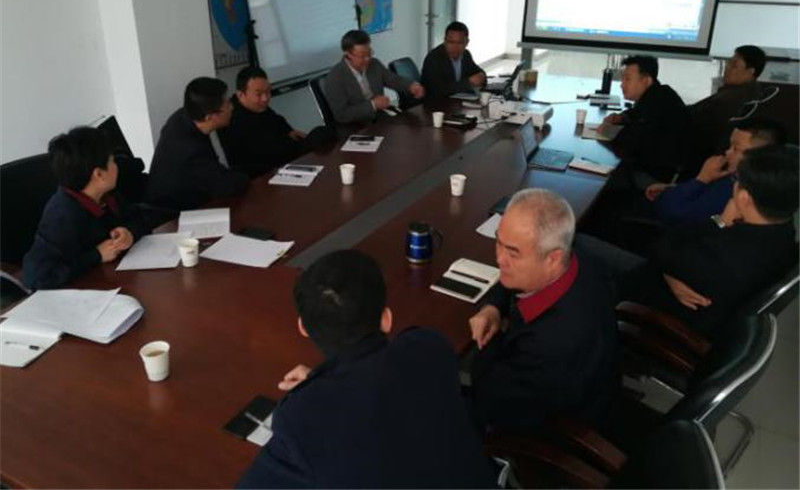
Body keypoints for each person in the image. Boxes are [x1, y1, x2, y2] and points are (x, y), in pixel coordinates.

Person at [237, 250, 496, 489]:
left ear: (303, 327)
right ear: (386, 319)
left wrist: (318, 387)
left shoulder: (300, 417)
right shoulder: (429, 346)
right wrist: (320, 382)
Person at [467, 189, 618, 434]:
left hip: (548, 432)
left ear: (553, 259)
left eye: (513, 253)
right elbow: (511, 280)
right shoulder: (576, 259)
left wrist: (491, 341)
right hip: (570, 387)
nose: (499, 259)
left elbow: (488, 399)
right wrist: (493, 307)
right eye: (498, 242)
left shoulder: (552, 343)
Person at [621, 144, 799, 338]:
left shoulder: (724, 257)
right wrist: (670, 270)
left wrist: (719, 221)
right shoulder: (784, 233)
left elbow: (659, 247)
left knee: (595, 258)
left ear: (744, 197)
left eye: (736, 180)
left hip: (645, 309)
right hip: (676, 293)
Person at [23, 127, 150, 289]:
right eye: (112, 161)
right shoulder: (62, 217)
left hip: (112, 279)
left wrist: (129, 233)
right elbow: (37, 278)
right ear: (99, 174)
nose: (116, 166)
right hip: (84, 293)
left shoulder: (105, 195)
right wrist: (96, 255)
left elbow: (140, 217)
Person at [645, 118, 785, 225]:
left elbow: (670, 213)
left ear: (761, 156)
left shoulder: (736, 192)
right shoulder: (732, 175)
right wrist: (675, 188)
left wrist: (701, 179)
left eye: (736, 149)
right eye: (730, 146)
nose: (727, 152)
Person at [146, 77, 249, 210]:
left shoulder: (182, 116)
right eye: (227, 104)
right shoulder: (191, 151)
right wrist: (246, 175)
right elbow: (225, 186)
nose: (232, 107)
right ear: (209, 117)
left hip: (184, 196)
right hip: (170, 214)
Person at [218, 66, 334, 177]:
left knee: (324, 134)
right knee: (320, 136)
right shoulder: (233, 119)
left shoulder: (257, 107)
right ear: (241, 95)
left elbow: (278, 120)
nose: (265, 98)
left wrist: (288, 131)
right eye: (258, 94)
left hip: (286, 154)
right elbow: (261, 155)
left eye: (268, 92)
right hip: (273, 168)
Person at [601, 55, 691, 186]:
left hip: (658, 177)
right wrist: (622, 117)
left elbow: (628, 145)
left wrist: (607, 131)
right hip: (665, 166)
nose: (622, 84)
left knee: (604, 177)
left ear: (646, 81)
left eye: (628, 79)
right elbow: (636, 113)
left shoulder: (655, 105)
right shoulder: (661, 94)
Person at [324, 30, 425, 125]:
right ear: (348, 55)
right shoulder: (335, 77)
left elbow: (392, 79)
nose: (367, 59)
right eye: (362, 56)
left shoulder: (374, 64)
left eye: (369, 53)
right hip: (355, 125)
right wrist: (373, 105)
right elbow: (341, 114)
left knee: (413, 125)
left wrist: (411, 85)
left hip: (380, 117)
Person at [690, 45, 768, 163]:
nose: (727, 67)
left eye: (734, 66)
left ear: (750, 72)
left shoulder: (729, 100)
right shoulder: (745, 90)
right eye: (729, 63)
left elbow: (693, 122)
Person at [420, 21, 486, 98]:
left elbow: (478, 72)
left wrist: (481, 76)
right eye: (451, 42)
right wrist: (468, 82)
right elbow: (438, 90)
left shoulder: (466, 55)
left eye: (460, 43)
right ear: (445, 41)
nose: (455, 47)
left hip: (458, 101)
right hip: (435, 103)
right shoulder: (433, 58)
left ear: (466, 43)